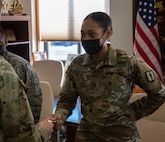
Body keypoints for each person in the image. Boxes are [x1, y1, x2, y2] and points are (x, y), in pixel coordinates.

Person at [52, 12, 165, 142]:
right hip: (88, 135)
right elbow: (67, 99)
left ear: (108, 33)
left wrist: (131, 112)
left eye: (92, 34)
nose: (86, 38)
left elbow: (159, 93)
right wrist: (60, 114)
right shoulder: (77, 64)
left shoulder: (127, 62)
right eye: (83, 34)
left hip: (121, 136)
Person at [0, 0, 53, 141]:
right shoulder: (0, 69)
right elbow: (22, 138)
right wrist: (43, 130)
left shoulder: (20, 66)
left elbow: (34, 101)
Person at [0, 25, 43, 141]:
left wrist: (30, 130)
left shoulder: (22, 66)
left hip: (14, 131)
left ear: (6, 42)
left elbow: (34, 100)